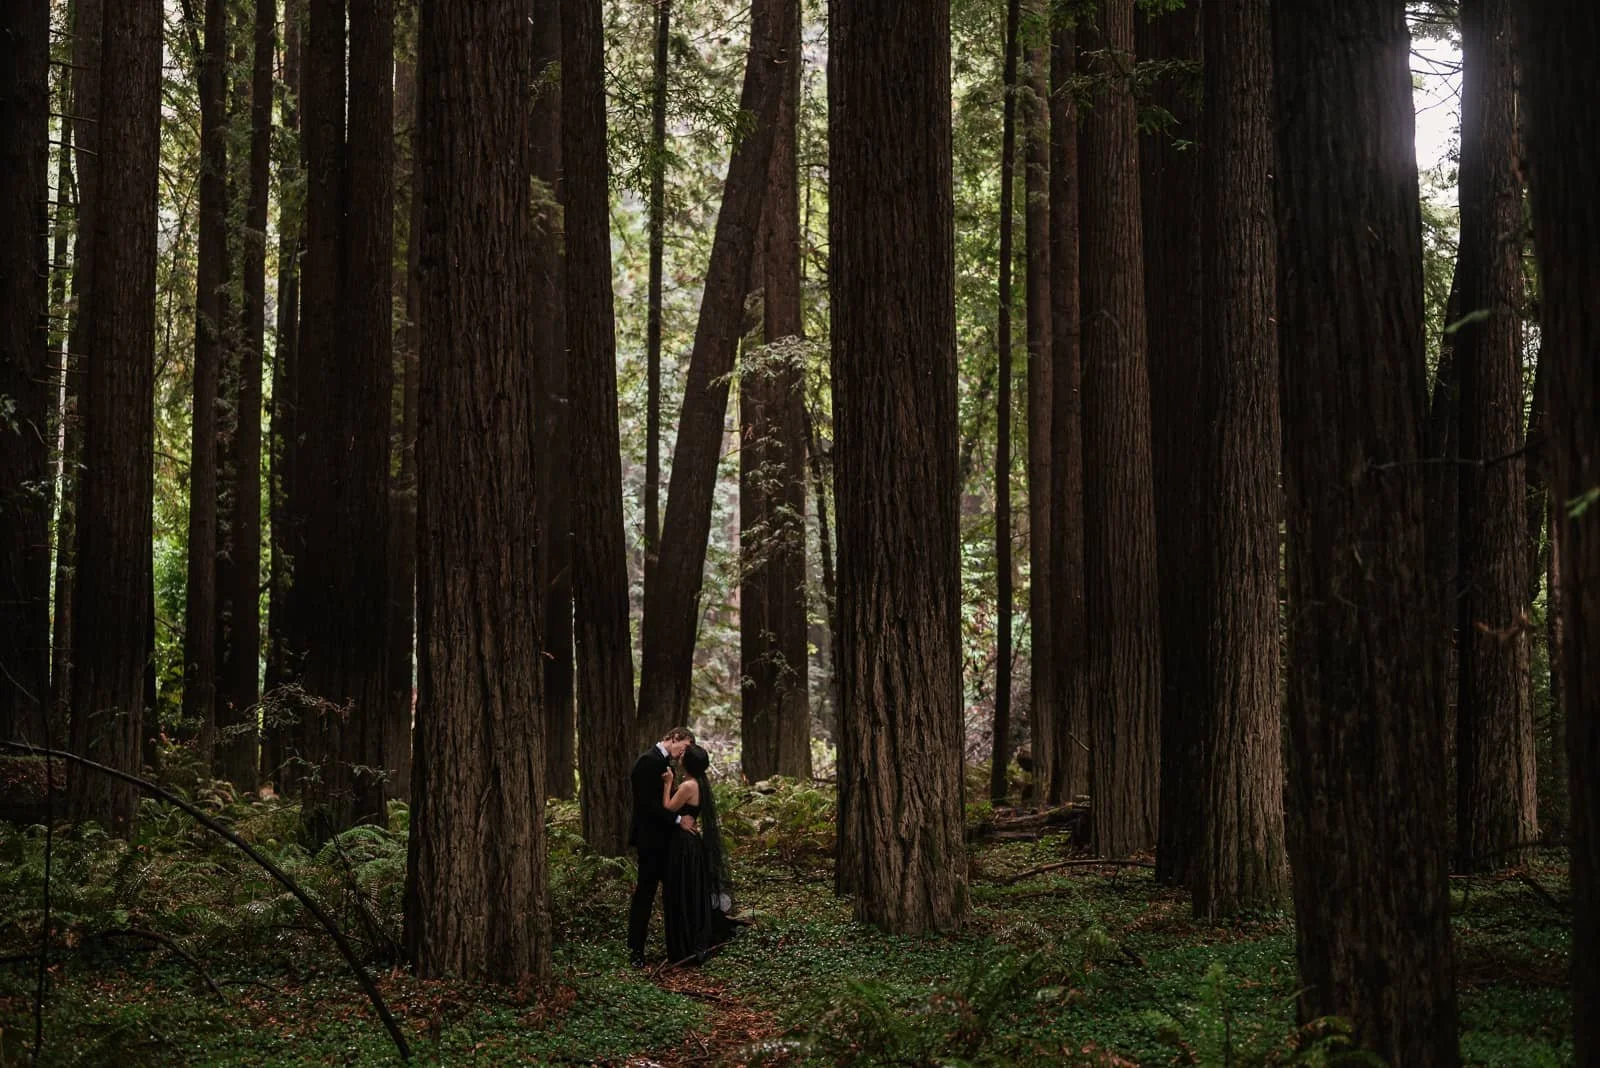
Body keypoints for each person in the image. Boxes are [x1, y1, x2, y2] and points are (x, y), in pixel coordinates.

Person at [661, 744, 739, 966]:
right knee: (690, 889)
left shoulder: (688, 785)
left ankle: (685, 945)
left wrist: (667, 783)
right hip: (691, 842)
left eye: (683, 755)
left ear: (688, 763)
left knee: (682, 890)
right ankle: (689, 940)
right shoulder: (700, 783)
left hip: (683, 844)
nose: (679, 757)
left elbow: (668, 807)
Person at [628, 727, 695, 968]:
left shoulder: (665, 763)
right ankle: (636, 951)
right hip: (650, 841)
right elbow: (648, 805)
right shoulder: (648, 762)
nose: (682, 753)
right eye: (683, 747)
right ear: (673, 738)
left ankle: (678, 949)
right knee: (645, 895)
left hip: (666, 842)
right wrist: (679, 821)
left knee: (672, 894)